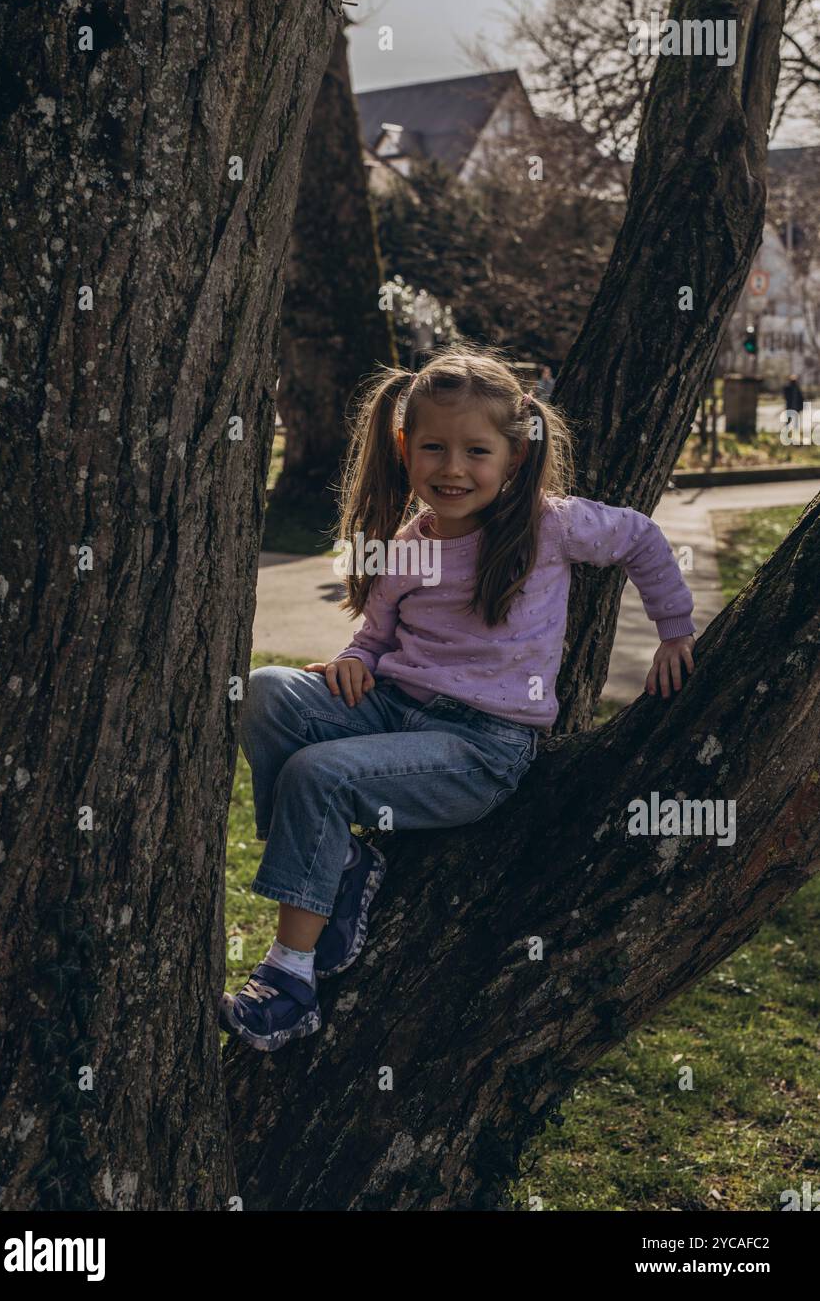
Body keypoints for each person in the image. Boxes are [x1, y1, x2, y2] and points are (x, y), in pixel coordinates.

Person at [220, 343, 697, 1051]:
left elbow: (640, 539)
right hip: (394, 707)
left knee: (316, 775)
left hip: (480, 748)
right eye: (434, 448)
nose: (452, 469)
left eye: (476, 451)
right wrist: (354, 661)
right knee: (263, 693)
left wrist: (674, 629)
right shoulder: (408, 543)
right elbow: (374, 636)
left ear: (513, 455)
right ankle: (342, 865)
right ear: (406, 448)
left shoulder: (550, 525)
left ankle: (290, 983)